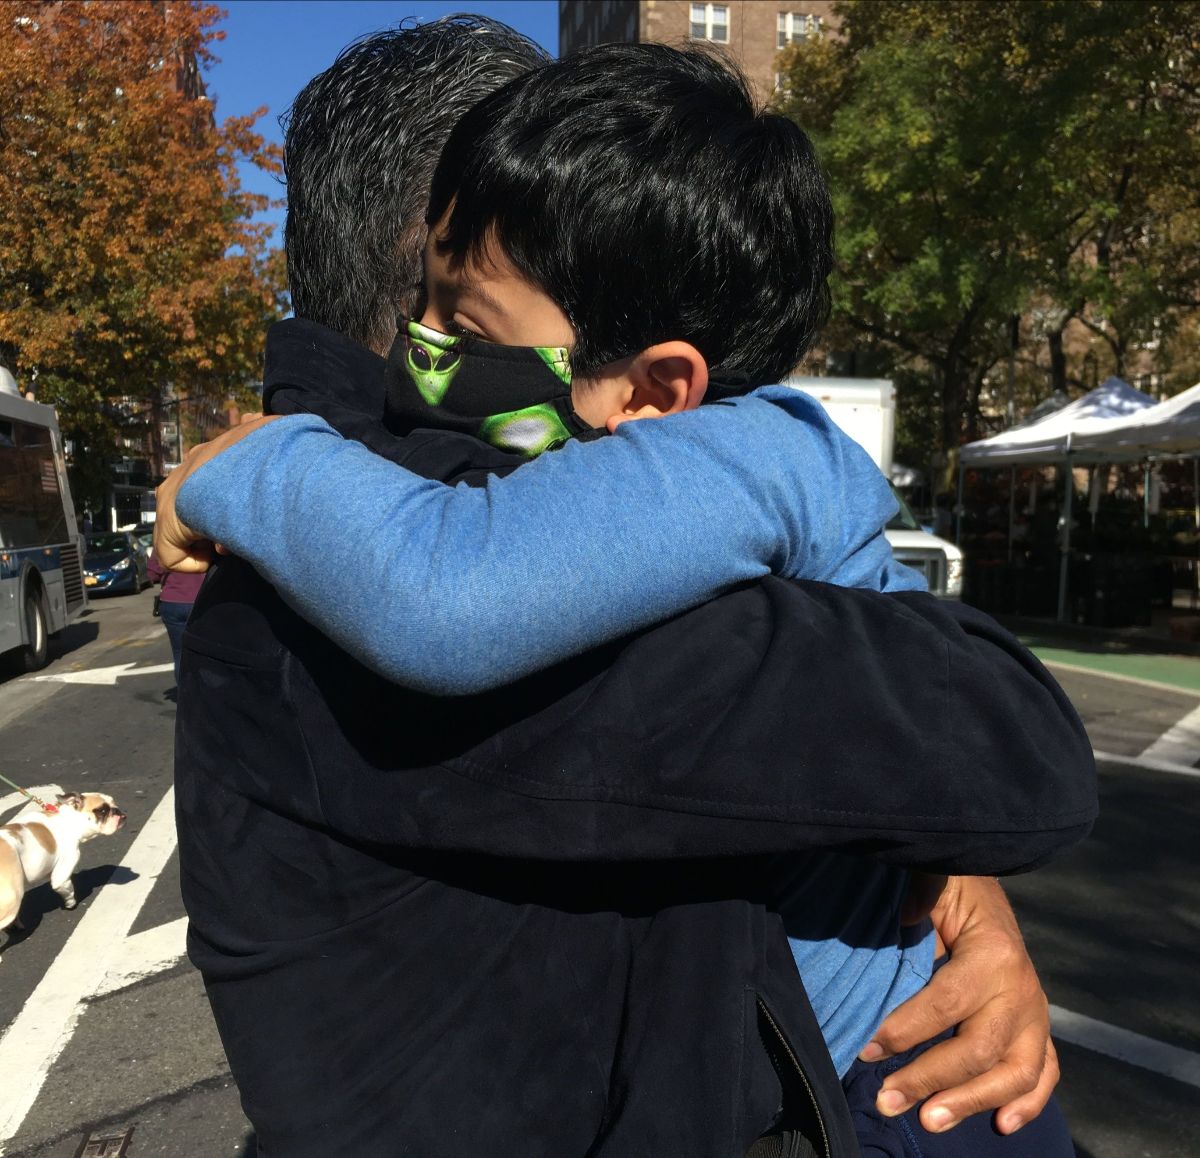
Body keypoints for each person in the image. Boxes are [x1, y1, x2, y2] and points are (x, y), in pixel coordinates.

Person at [156, 20, 1091, 1157]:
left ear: (655, 387)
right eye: (427, 308)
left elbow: (444, 587)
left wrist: (254, 464)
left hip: (890, 1086)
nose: (428, 345)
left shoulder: (714, 465)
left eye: (462, 321)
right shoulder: (631, 471)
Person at [146, 551, 203, 683]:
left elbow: (152, 573)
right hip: (201, 600)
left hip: (172, 601)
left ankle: (185, 694)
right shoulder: (205, 539)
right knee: (205, 651)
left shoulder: (167, 539)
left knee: (180, 653)